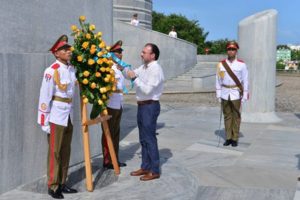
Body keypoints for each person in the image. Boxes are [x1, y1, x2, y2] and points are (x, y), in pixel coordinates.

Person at [37, 35, 78, 199]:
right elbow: (44, 96)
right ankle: (53, 186)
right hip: (55, 116)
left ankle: (62, 182)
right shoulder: (51, 70)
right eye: (64, 49)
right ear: (56, 53)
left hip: (68, 114)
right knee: (55, 152)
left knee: (66, 151)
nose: (68, 51)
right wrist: (43, 121)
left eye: (68, 48)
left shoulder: (71, 68)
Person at [127, 43, 164, 181]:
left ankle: (154, 170)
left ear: (152, 55)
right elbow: (131, 74)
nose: (141, 54)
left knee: (149, 139)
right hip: (142, 106)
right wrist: (123, 69)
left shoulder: (156, 69)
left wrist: (134, 78)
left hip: (150, 106)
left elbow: (147, 90)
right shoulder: (144, 67)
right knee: (143, 139)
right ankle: (145, 166)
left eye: (144, 52)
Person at [216, 41, 249, 147]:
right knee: (227, 116)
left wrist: (244, 95)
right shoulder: (221, 64)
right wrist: (218, 94)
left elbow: (246, 80)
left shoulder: (242, 65)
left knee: (236, 116)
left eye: (233, 49)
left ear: (236, 51)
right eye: (229, 49)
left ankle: (235, 138)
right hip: (225, 93)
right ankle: (228, 137)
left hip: (236, 93)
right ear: (227, 50)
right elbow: (218, 79)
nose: (231, 51)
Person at [101, 40, 127, 169]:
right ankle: (107, 160)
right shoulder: (107, 67)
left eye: (121, 52)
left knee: (116, 132)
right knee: (108, 132)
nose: (120, 54)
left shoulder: (118, 68)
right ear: (110, 54)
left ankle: (114, 158)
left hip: (119, 102)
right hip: (110, 104)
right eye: (117, 52)